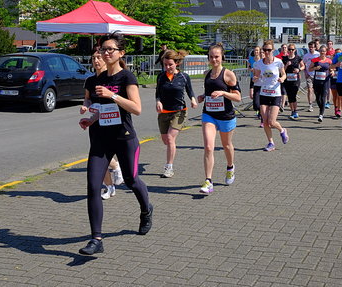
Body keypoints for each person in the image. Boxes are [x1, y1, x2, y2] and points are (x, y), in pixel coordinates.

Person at [78, 33, 153, 255]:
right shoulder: (95, 80)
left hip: (124, 137)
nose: (105, 53)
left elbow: (137, 108)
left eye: (110, 49)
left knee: (131, 179)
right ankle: (96, 239)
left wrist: (113, 96)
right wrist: (89, 119)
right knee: (93, 187)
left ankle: (146, 209)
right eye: (103, 49)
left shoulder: (126, 78)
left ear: (121, 53)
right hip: (100, 139)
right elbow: (100, 110)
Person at [197, 43, 241, 194]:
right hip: (209, 114)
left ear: (222, 57)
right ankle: (208, 181)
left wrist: (223, 93)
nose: (214, 59)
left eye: (216, 56)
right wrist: (203, 97)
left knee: (226, 145)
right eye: (211, 57)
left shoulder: (228, 75)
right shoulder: (207, 74)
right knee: (209, 147)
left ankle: (230, 167)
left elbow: (238, 97)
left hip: (226, 116)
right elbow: (209, 92)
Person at [80, 46, 124, 200]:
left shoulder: (111, 79)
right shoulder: (90, 80)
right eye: (93, 58)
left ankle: (116, 166)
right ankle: (109, 187)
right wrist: (86, 105)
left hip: (111, 122)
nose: (96, 61)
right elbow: (88, 97)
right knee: (98, 157)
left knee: (105, 155)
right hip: (95, 123)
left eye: (99, 57)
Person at [155, 49, 197, 178]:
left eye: (170, 65)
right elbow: (158, 92)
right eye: (165, 65)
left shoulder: (184, 76)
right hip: (164, 112)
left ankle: (169, 167)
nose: (167, 67)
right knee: (165, 140)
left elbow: (190, 91)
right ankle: (171, 152)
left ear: (177, 63)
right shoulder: (161, 76)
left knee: (170, 138)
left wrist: (193, 100)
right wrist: (158, 101)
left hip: (179, 111)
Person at [253, 40, 289, 151]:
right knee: (265, 121)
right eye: (265, 50)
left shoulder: (278, 62)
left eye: (269, 50)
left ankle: (282, 131)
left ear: (273, 50)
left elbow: (284, 74)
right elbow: (257, 76)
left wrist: (282, 79)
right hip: (264, 93)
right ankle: (271, 143)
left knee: (272, 121)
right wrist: (255, 78)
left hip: (275, 94)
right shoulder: (259, 63)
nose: (267, 52)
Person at [309, 45, 332, 122]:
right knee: (318, 98)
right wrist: (315, 68)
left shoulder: (329, 60)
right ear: (319, 52)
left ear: (326, 52)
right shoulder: (315, 60)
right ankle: (321, 108)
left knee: (323, 97)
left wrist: (332, 72)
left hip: (325, 81)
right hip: (317, 81)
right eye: (321, 51)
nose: (322, 52)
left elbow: (331, 69)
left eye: (324, 51)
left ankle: (321, 114)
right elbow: (309, 68)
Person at [282, 43, 305, 120]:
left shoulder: (298, 58)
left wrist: (299, 70)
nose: (291, 51)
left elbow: (303, 66)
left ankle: (295, 111)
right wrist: (286, 65)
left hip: (295, 80)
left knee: (293, 95)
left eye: (292, 49)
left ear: (295, 50)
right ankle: (292, 111)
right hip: (287, 80)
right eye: (289, 49)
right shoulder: (285, 59)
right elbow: (282, 70)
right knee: (289, 96)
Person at [302, 41, 320, 112]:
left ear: (315, 47)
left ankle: (318, 100)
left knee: (317, 90)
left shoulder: (318, 54)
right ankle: (310, 105)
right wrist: (305, 72)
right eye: (309, 47)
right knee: (310, 89)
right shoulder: (306, 56)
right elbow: (303, 64)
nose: (311, 49)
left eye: (312, 47)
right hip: (309, 74)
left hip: (317, 74)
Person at [248, 46, 263, 124]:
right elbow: (249, 66)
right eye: (255, 51)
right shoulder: (251, 58)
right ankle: (259, 109)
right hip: (253, 78)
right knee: (252, 96)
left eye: (257, 50)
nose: (256, 52)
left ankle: (261, 113)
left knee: (260, 98)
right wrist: (251, 69)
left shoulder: (262, 60)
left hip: (261, 81)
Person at [274, 44, 288, 111]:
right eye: (283, 48)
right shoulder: (277, 57)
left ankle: (283, 103)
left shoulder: (289, 56)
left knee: (286, 90)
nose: (284, 49)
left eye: (285, 47)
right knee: (282, 90)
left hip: (288, 75)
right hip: (280, 75)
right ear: (281, 49)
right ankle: (281, 104)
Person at [330, 48, 342, 118]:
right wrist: (332, 70)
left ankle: (339, 110)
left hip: (341, 80)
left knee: (339, 95)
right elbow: (330, 67)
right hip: (334, 79)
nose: (338, 55)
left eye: (339, 53)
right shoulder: (333, 60)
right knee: (334, 96)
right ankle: (336, 107)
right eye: (336, 53)